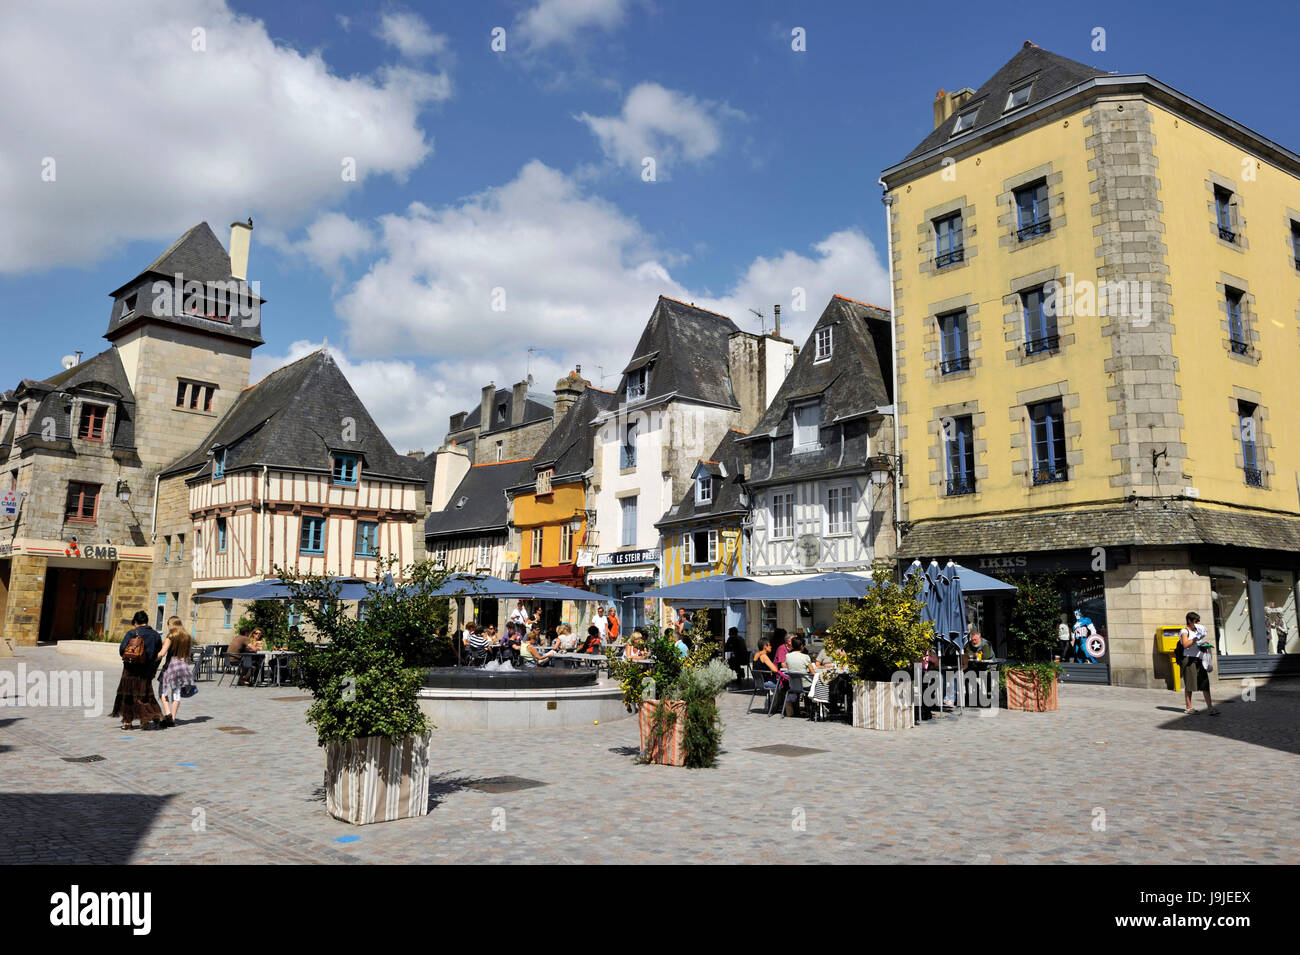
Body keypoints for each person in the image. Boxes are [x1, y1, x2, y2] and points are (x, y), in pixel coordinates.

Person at [111, 611, 164, 731]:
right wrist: (153, 670)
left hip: (130, 670)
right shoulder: (155, 635)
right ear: (147, 621)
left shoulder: (131, 633)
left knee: (128, 696)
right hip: (146, 671)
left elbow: (122, 651)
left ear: (135, 622)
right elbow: (158, 655)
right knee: (145, 696)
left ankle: (128, 723)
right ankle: (145, 719)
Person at [156, 616, 195, 728]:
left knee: (162, 691)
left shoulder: (171, 636)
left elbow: (162, 653)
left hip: (170, 667)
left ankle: (168, 713)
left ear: (171, 625)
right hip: (182, 667)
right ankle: (172, 718)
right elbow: (188, 655)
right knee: (176, 693)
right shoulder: (187, 637)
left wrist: (152, 658)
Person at [1179, 611, 1218, 715]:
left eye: (1198, 620)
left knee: (1205, 683)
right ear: (1189, 621)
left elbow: (1197, 643)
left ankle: (1210, 708)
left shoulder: (1198, 630)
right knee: (1190, 684)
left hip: (1199, 659)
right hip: (1189, 660)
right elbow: (1185, 644)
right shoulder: (1184, 631)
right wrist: (1195, 639)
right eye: (1196, 621)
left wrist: (1204, 644)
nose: (1198, 622)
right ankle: (1189, 707)